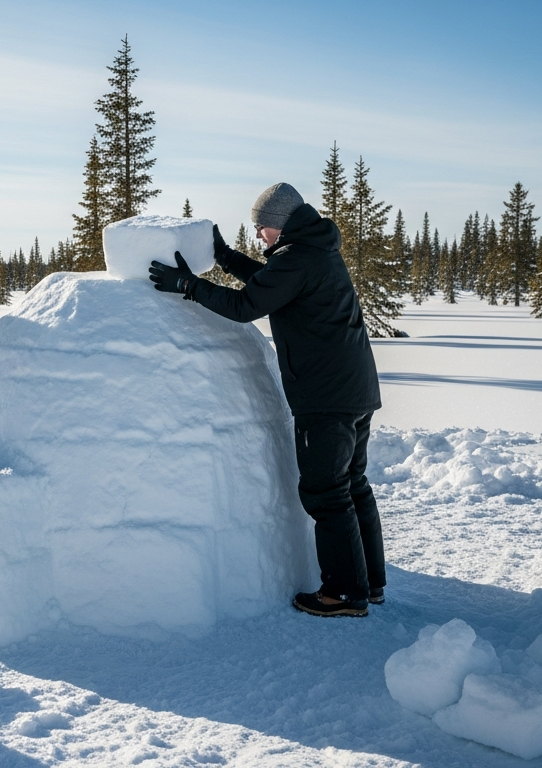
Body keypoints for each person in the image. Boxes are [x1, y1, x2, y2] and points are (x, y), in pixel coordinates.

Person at [148, 183, 385, 617]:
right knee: (352, 486)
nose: (259, 236)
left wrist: (188, 285)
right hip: (353, 390)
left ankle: (344, 593)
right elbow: (268, 282)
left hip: (325, 396)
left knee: (326, 492)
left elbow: (246, 305)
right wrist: (223, 257)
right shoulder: (314, 251)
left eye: (261, 228)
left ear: (280, 224)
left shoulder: (297, 258)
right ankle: (369, 583)